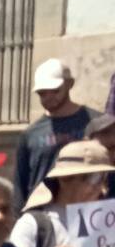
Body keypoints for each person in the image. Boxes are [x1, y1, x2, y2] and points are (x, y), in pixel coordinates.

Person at [14, 60, 96, 212]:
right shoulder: (30, 135)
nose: (49, 97)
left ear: (69, 84)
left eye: (55, 90)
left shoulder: (96, 123)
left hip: (89, 214)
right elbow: (20, 186)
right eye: (42, 93)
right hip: (43, 217)